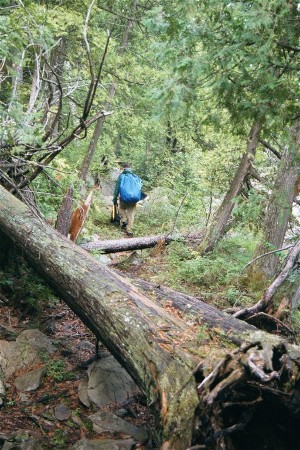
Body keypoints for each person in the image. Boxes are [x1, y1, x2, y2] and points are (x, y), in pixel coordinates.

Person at [113, 163, 141, 236]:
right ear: (130, 169)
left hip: (123, 198)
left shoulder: (121, 176)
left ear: (123, 168)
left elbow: (117, 188)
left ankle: (124, 220)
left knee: (121, 209)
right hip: (134, 199)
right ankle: (129, 230)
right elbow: (139, 187)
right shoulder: (135, 177)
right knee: (131, 214)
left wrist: (114, 198)